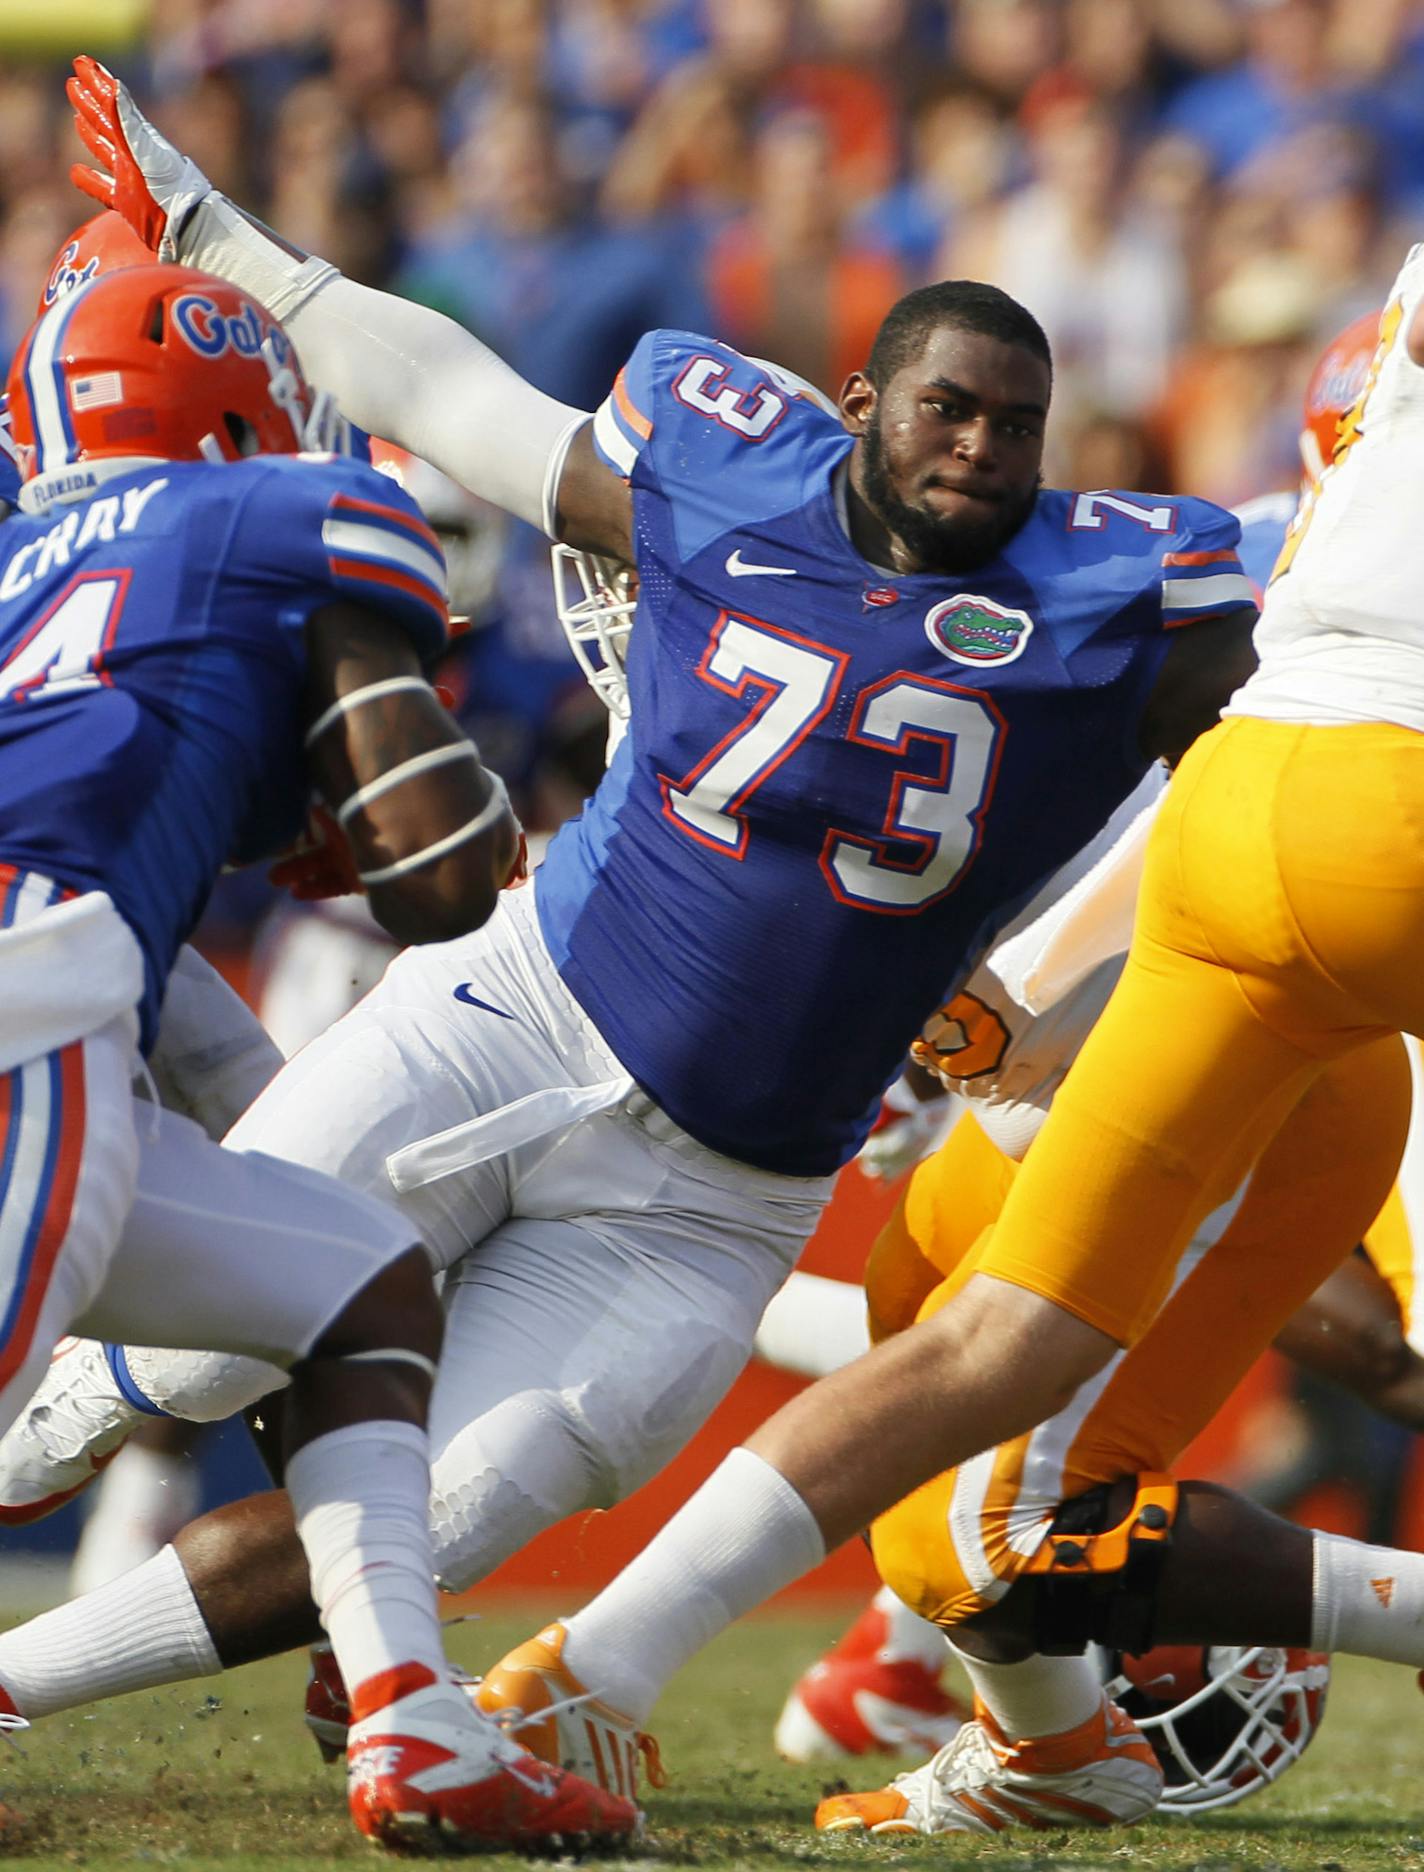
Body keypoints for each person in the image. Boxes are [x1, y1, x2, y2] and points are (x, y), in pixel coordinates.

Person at [0, 57, 1255, 1789]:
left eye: (1016, 425)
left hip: (714, 1201)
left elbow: (1317, 701)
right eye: (947, 409)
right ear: (861, 396)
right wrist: (229, 242)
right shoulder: (725, 470)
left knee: (421, 1528)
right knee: (124, 1376)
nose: (981, 452)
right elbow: (463, 400)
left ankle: (10, 1687)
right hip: (514, 1010)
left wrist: (1079, 985)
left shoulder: (1116, 595)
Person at [0, 258, 639, 1853]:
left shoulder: (22, 559)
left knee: (356, 1280)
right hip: (29, 995)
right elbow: (430, 882)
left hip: (66, 1004)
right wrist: (461, 823)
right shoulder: (298, 513)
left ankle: (413, 1722)